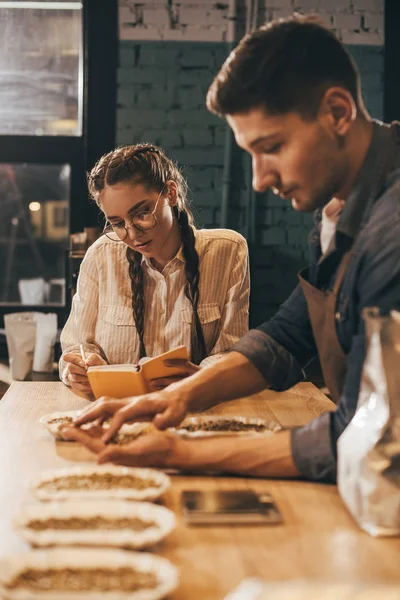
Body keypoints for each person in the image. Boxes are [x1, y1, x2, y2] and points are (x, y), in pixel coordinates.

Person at [62, 15, 400, 483]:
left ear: (338, 113)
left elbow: (365, 436)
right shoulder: (341, 211)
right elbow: (284, 338)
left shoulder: (392, 231)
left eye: (273, 147)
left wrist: (181, 452)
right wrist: (177, 397)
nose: (260, 179)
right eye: (251, 155)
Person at [60, 143, 250, 395]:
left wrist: (200, 377)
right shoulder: (100, 255)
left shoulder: (228, 250)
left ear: (171, 193)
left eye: (142, 213)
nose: (132, 233)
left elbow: (233, 353)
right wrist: (77, 369)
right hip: (116, 415)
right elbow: (76, 347)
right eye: (117, 223)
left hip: (196, 413)